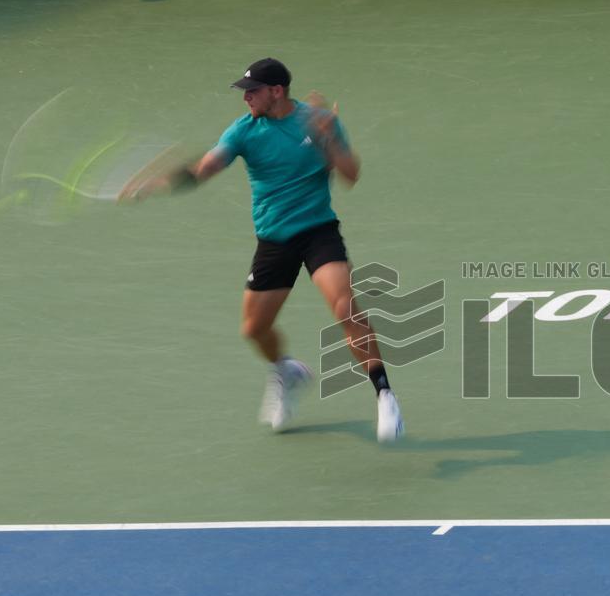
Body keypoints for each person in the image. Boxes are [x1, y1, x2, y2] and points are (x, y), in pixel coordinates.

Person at [124, 58, 403, 441]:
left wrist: (330, 139)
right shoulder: (243, 131)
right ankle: (286, 370)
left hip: (318, 232)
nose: (246, 98)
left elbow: (351, 175)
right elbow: (204, 168)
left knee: (345, 308)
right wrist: (157, 184)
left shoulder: (319, 121)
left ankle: (385, 395)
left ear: (276, 91)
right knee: (254, 330)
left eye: (252, 91)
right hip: (274, 241)